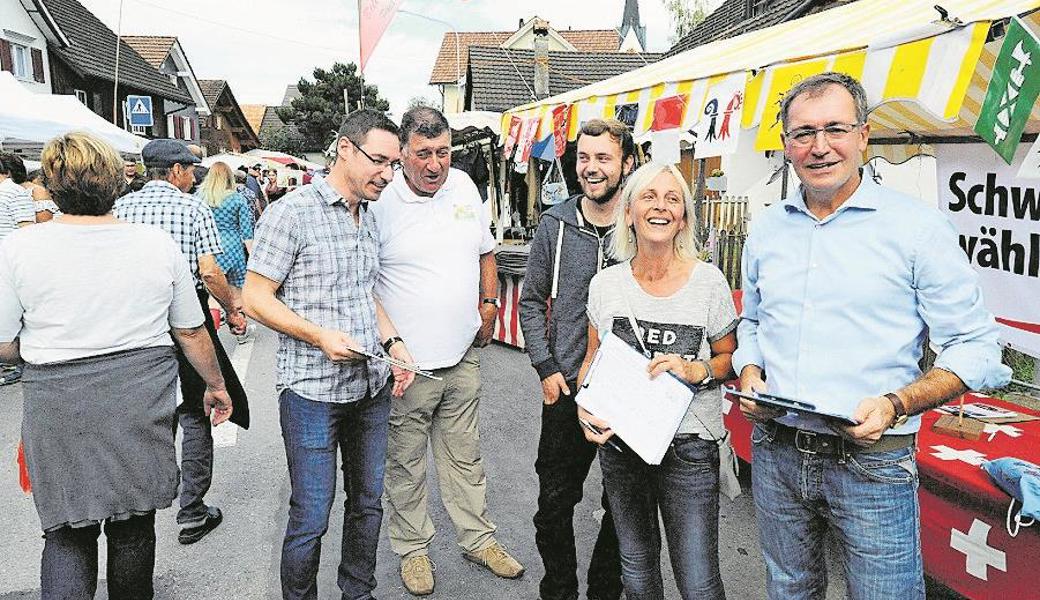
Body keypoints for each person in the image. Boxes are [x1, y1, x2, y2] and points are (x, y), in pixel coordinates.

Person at [733, 72, 1012, 599]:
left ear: (864, 135)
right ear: (786, 144)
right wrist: (751, 370)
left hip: (872, 462)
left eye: (835, 129)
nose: (819, 147)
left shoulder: (915, 229)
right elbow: (754, 321)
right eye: (802, 133)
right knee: (789, 591)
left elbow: (976, 346)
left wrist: (897, 403)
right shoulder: (768, 229)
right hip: (777, 450)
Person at [0, 131, 232, 600]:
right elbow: (190, 330)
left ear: (51, 184)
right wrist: (216, 385)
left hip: (57, 399)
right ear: (115, 180)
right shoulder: (155, 244)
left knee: (66, 528)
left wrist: (49, 348)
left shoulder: (18, 249)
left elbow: (3, 345)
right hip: (139, 394)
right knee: (132, 523)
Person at [242, 109, 416, 600]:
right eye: (379, 161)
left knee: (367, 504)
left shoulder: (371, 215)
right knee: (312, 515)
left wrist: (393, 343)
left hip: (370, 389)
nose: (388, 174)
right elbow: (255, 298)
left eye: (394, 165)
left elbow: (366, 294)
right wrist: (319, 336)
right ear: (344, 148)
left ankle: (356, 592)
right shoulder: (290, 212)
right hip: (311, 394)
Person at [370, 106, 524, 596]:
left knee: (465, 457)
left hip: (462, 356)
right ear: (402, 155)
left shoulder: (463, 185)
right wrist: (390, 341)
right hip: (407, 367)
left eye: (443, 152)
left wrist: (488, 304)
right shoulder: (380, 203)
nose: (435, 164)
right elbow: (362, 282)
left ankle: (477, 540)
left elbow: (486, 251)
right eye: (423, 154)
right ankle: (413, 550)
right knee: (406, 463)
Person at [576, 162, 735, 600]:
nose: (660, 207)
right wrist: (583, 408)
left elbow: (728, 359)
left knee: (698, 579)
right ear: (629, 212)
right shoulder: (605, 284)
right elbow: (592, 360)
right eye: (649, 197)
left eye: (672, 198)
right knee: (637, 570)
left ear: (683, 215)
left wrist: (693, 370)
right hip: (622, 443)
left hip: (689, 445)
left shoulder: (708, 283)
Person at [518, 118, 634, 600]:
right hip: (567, 387)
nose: (591, 168)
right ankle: (560, 590)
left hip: (629, 393)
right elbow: (530, 300)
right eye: (584, 158)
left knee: (623, 508)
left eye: (603, 158)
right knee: (553, 505)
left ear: (627, 163)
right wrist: (545, 367)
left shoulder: (642, 221)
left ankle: (604, 590)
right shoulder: (556, 223)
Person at [115, 139, 250, 545]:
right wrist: (234, 307)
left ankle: (138, 509)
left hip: (134, 328)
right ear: (174, 172)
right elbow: (209, 273)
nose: (194, 176)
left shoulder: (119, 209)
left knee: (149, 419)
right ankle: (191, 512)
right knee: (196, 412)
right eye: (190, 169)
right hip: (186, 320)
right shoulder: (193, 209)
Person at [198, 162, 255, 342]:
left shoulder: (200, 198)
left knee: (214, 297)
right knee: (236, 294)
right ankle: (240, 332)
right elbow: (247, 232)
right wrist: (252, 256)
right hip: (233, 247)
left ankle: (213, 337)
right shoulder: (237, 199)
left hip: (209, 248)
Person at [0, 152, 35, 386]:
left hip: (12, 264)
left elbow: (26, 230)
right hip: (9, 263)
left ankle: (14, 363)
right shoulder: (15, 192)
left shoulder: (14, 192)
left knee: (11, 313)